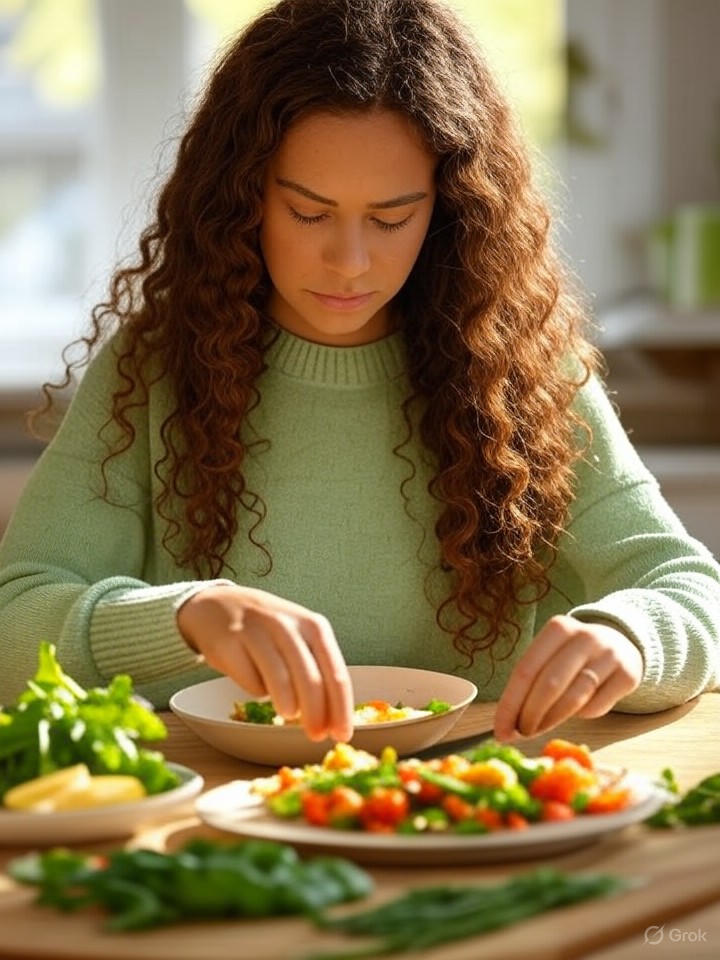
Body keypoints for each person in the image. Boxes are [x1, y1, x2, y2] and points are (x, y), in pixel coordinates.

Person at [1, 0, 718, 748]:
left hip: (469, 801)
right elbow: (11, 627)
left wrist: (630, 635)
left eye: (391, 217)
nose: (350, 261)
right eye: (309, 213)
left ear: (449, 208)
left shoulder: (523, 369)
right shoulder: (151, 370)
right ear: (242, 196)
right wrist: (183, 617)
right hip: (214, 811)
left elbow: (691, 590)